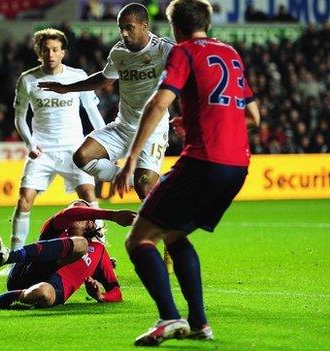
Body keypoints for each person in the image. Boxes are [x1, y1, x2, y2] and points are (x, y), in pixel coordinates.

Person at [113, 0, 260, 346]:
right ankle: (199, 324)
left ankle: (168, 317)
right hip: (238, 165)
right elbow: (253, 116)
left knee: (139, 239)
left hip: (203, 161)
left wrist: (132, 158)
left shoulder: (184, 51)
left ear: (176, 27)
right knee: (175, 234)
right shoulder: (231, 54)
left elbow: (158, 102)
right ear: (207, 23)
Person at [38, 3, 175, 271]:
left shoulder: (164, 50)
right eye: (121, 28)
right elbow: (104, 79)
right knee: (82, 157)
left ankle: (170, 238)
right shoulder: (119, 52)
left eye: (129, 28)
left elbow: (188, 71)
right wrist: (67, 89)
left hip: (153, 128)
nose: (124, 33)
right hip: (124, 126)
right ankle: (126, 175)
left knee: (145, 189)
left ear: (144, 26)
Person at [0, 28, 106, 277]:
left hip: (73, 148)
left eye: (55, 49)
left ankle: (100, 254)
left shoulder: (77, 77)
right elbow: (20, 118)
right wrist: (29, 143)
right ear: (39, 52)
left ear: (63, 52)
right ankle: (14, 260)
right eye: (45, 49)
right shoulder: (28, 79)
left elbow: (92, 113)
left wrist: (103, 143)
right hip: (43, 149)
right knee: (24, 199)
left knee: (89, 197)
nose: (51, 54)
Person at [0, 201, 136, 310]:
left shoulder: (100, 252)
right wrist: (112, 215)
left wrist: (100, 296)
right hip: (26, 270)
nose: (73, 213)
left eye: (81, 213)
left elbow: (116, 291)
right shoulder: (55, 229)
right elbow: (67, 214)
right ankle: (8, 257)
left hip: (52, 288)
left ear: (90, 223)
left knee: (44, 294)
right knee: (78, 245)